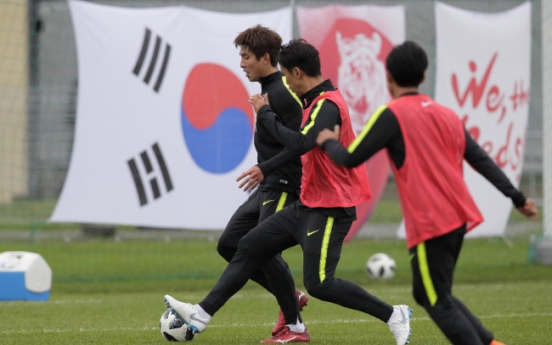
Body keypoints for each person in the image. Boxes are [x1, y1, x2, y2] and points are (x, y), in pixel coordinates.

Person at [164, 39, 413, 345]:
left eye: (285, 74)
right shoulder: (314, 101)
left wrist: (265, 114)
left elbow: (300, 144)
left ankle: (394, 314)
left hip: (331, 208)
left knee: (320, 284)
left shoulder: (328, 104)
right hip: (309, 203)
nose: (284, 82)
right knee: (249, 244)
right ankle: (201, 315)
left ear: (296, 73)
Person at [316, 40, 538, 345]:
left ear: (388, 76)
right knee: (432, 293)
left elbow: (350, 157)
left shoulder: (391, 114)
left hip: (432, 221)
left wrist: (328, 140)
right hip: (457, 217)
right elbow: (482, 160)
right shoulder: (446, 114)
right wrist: (518, 198)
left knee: (436, 301)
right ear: (423, 77)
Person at [218, 25, 308, 338]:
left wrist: (265, 167)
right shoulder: (269, 91)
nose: (241, 63)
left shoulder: (284, 92)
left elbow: (299, 144)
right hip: (269, 183)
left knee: (263, 248)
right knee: (229, 243)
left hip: (286, 185)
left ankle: (294, 325)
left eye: (246, 57)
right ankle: (291, 297)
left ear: (265, 57)